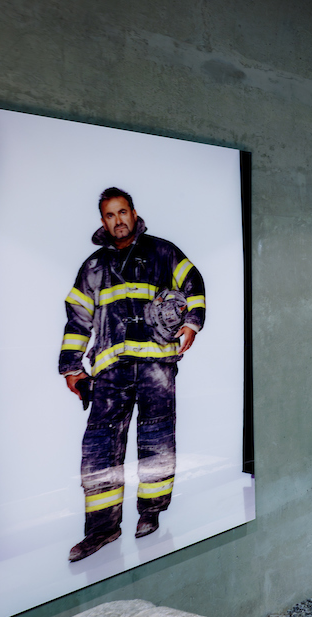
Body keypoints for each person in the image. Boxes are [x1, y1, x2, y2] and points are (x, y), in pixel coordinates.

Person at [60, 187, 206, 562]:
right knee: (99, 451)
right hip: (110, 370)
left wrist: (191, 323)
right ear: (103, 221)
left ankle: (151, 513)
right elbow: (78, 318)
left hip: (157, 363)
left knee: (157, 441)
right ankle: (103, 530)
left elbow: (194, 284)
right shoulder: (93, 267)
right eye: (110, 215)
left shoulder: (163, 251)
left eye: (122, 212)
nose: (118, 220)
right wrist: (72, 367)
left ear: (133, 212)